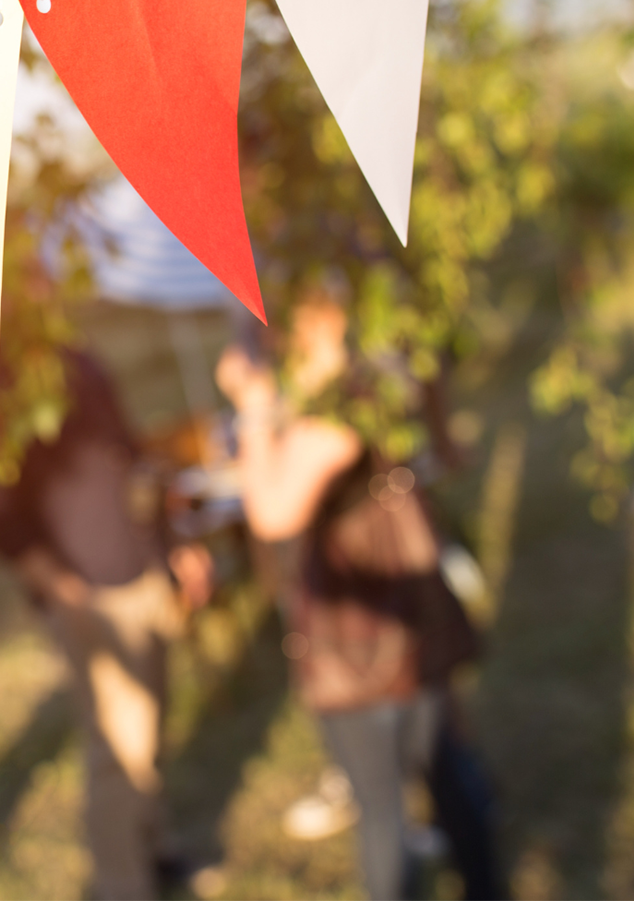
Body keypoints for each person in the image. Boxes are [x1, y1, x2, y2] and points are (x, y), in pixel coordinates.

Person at [215, 285, 505, 901]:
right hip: (412, 613)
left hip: (365, 637)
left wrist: (253, 405)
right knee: (446, 767)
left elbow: (270, 512)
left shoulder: (330, 417)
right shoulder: (379, 374)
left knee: (382, 809)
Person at [0, 347, 212, 901]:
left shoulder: (80, 361)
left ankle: (155, 845)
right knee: (120, 747)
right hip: (88, 593)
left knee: (152, 723)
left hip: (142, 565)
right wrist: (59, 586)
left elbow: (131, 455)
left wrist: (177, 541)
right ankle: (121, 884)